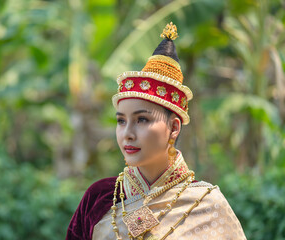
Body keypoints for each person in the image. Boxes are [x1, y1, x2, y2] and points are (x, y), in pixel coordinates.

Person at [66, 22, 246, 240]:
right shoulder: (99, 197)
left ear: (173, 128)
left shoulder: (208, 206)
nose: (128, 133)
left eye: (142, 119)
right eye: (121, 121)